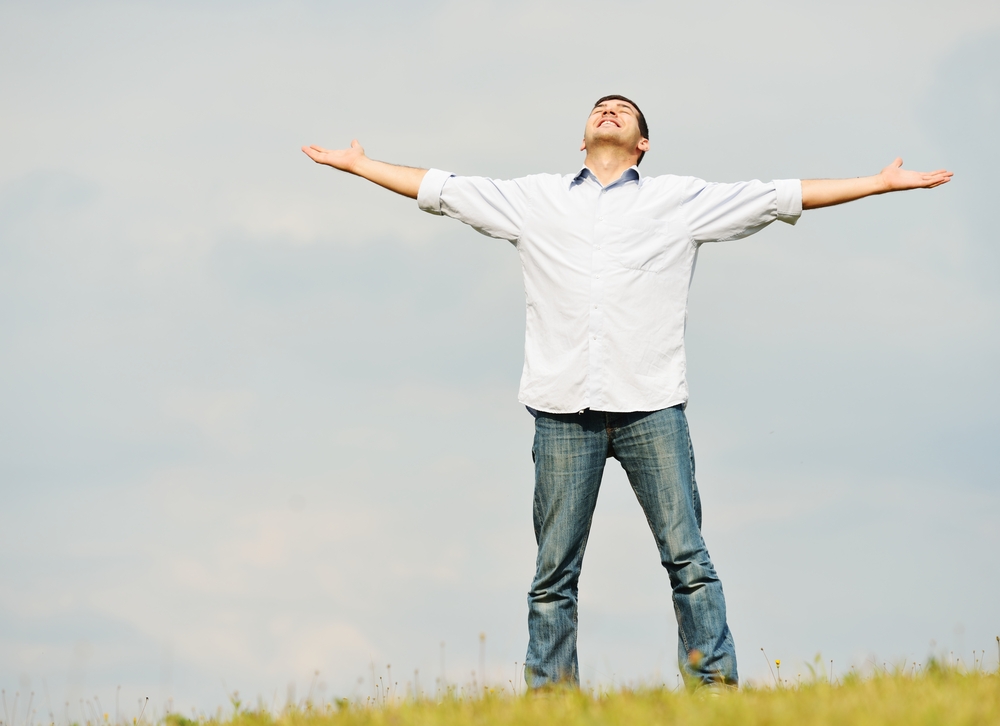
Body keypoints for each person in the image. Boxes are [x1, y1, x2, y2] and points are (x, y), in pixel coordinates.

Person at [301, 95, 952, 689]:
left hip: (651, 408)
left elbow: (782, 196)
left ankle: (715, 689)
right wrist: (361, 166)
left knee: (687, 558)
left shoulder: (680, 199)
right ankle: (551, 700)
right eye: (599, 108)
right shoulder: (535, 199)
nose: (609, 111)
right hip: (562, 413)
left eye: (624, 110)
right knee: (553, 575)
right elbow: (440, 188)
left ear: (643, 143)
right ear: (581, 140)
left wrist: (879, 183)